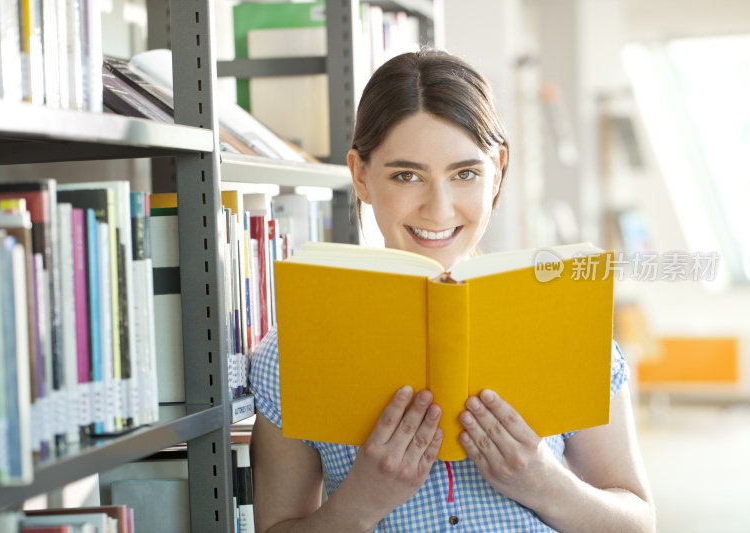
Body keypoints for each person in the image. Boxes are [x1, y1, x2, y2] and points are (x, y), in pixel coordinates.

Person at [249, 49, 655, 532]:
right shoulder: (295, 349)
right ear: (360, 175)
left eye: (465, 174)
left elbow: (637, 524)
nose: (439, 211)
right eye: (406, 175)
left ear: (498, 168)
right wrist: (360, 501)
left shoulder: (569, 326)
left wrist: (542, 481)